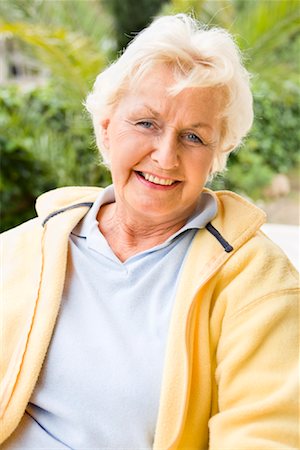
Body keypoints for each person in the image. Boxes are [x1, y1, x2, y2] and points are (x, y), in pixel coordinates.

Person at [1, 13, 298, 450]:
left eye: (194, 137)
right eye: (146, 124)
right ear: (106, 129)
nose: (165, 156)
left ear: (220, 153)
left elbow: (266, 437)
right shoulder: (27, 248)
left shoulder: (258, 284)